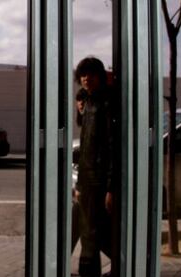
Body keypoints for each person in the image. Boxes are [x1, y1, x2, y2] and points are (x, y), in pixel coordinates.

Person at [74, 57, 114, 277]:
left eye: (91, 74)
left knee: (90, 232)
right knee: (91, 230)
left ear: (100, 76)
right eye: (83, 75)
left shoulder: (106, 104)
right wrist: (80, 183)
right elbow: (86, 144)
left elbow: (110, 147)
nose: (86, 79)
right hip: (87, 179)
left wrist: (110, 187)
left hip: (98, 181)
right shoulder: (88, 102)